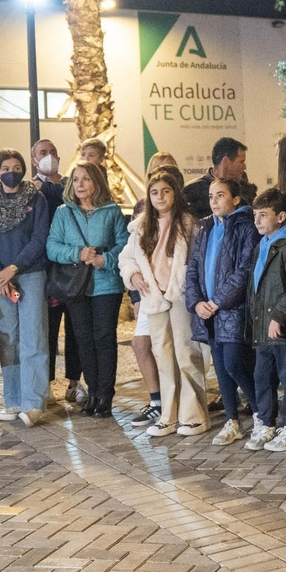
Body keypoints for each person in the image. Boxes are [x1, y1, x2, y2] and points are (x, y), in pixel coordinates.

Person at [121, 167, 207, 436]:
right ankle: (169, 415)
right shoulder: (139, 227)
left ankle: (194, 415)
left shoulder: (189, 224)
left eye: (165, 191)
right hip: (153, 299)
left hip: (179, 296)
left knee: (186, 354)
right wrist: (133, 276)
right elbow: (127, 258)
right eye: (154, 192)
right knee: (163, 356)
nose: (159, 197)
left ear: (175, 194)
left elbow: (196, 261)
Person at [47, 160, 129, 418]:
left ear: (96, 183)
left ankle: (105, 394)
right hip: (76, 283)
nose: (80, 184)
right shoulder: (63, 212)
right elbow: (52, 247)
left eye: (86, 179)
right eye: (76, 179)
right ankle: (92, 392)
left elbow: (124, 245)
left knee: (104, 337)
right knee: (83, 339)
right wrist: (77, 253)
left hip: (106, 283)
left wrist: (105, 259)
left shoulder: (112, 210)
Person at [0, 148, 52, 426]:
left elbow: (39, 237)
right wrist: (0, 274)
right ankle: (13, 399)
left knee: (34, 336)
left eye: (16, 166)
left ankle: (34, 402)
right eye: (6, 167)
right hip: (0, 280)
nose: (12, 172)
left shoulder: (37, 199)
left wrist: (14, 268)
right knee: (9, 339)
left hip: (30, 274)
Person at [187, 177, 258, 445]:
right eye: (211, 196)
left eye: (220, 195)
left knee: (234, 363)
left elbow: (243, 270)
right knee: (220, 367)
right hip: (208, 311)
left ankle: (262, 414)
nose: (214, 201)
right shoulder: (205, 228)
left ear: (236, 199)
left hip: (231, 308)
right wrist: (196, 303)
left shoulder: (245, 226)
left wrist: (217, 301)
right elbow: (193, 268)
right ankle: (232, 420)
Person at [243, 187, 286, 451]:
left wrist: (279, 316)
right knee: (263, 377)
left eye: (263, 215)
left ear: (281, 216)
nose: (257, 220)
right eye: (255, 215)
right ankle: (267, 423)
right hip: (264, 330)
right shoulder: (264, 244)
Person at [125, 150, 179, 424]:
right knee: (141, 344)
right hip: (148, 295)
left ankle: (177, 402)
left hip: (175, 295)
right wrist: (134, 288)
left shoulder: (184, 217)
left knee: (174, 349)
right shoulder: (140, 214)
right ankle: (157, 400)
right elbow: (130, 256)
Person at [31, 139, 84, 407]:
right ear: (34, 160)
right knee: (47, 330)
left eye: (53, 152)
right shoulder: (30, 189)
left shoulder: (71, 186)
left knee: (76, 328)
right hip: (45, 271)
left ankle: (75, 383)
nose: (49, 156)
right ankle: (47, 385)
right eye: (43, 153)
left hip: (73, 269)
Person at [185, 136, 253, 216]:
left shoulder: (245, 188)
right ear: (226, 161)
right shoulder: (192, 190)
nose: (244, 167)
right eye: (241, 162)